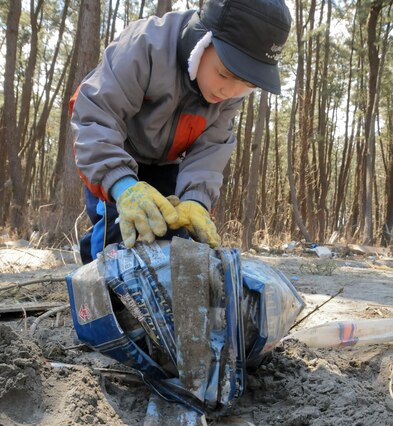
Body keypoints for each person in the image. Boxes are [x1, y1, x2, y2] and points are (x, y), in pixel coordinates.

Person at [70, 0, 291, 264]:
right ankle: (98, 287)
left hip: (167, 163)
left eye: (245, 85)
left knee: (173, 235)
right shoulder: (145, 45)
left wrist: (196, 200)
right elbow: (96, 115)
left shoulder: (230, 93)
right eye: (224, 74)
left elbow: (211, 149)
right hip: (116, 153)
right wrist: (123, 185)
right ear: (202, 40)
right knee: (117, 229)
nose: (229, 92)